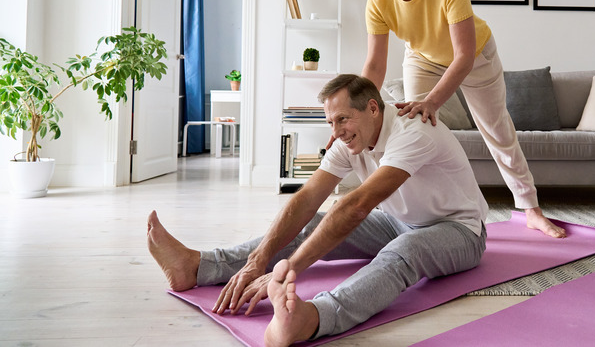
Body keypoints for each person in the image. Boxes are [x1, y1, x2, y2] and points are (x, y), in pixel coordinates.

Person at [147, 74, 489, 347]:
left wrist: (286, 271)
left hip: (458, 230)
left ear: (373, 108)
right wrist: (259, 259)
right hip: (399, 221)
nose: (336, 131)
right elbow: (307, 198)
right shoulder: (348, 139)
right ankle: (197, 267)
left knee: (404, 251)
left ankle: (310, 319)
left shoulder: (412, 132)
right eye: (330, 121)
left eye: (342, 119)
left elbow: (355, 206)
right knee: (312, 223)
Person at [354, 0, 565, 238]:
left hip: (476, 56)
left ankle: (531, 210)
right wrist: (355, 112)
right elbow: (375, 66)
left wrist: (433, 101)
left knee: (496, 129)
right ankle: (419, 215)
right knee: (413, 130)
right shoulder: (377, 1)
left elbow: (464, 55)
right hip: (423, 58)